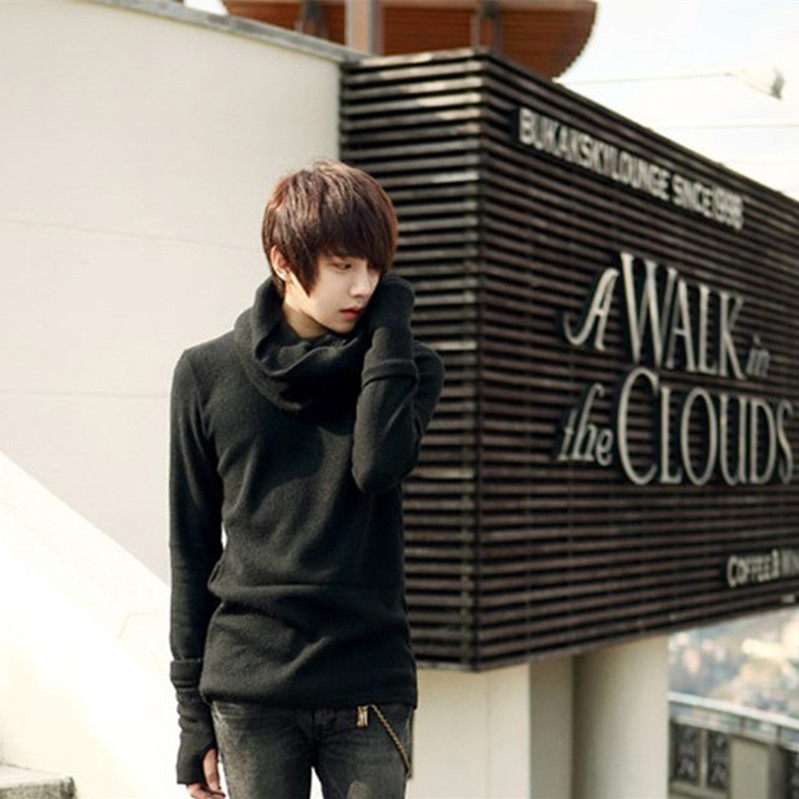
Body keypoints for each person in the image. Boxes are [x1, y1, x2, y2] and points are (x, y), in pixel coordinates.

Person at [168, 158, 445, 799]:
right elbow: (191, 547)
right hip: (251, 688)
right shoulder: (206, 375)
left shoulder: (406, 368)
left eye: (375, 268)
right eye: (344, 265)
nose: (363, 287)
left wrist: (392, 327)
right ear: (283, 261)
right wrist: (191, 719)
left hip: (368, 684)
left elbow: (376, 465)